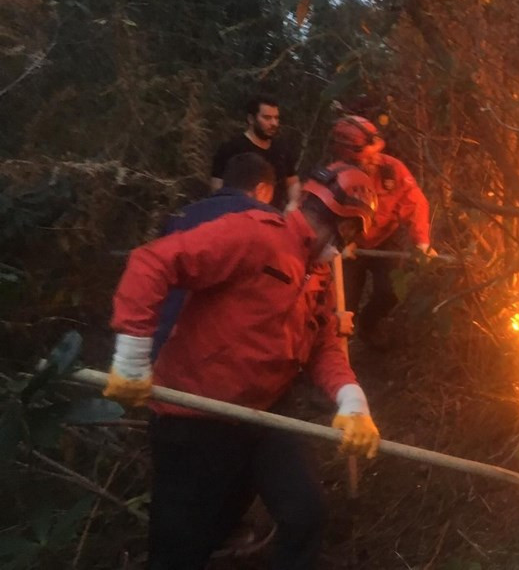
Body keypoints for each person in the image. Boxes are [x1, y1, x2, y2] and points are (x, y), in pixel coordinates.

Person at [102, 163, 381, 570]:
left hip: (265, 414)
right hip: (194, 416)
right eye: (352, 234)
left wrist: (352, 399)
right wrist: (130, 357)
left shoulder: (317, 275)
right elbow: (154, 262)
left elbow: (324, 348)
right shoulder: (253, 235)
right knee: (183, 544)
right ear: (340, 224)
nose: (349, 247)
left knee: (305, 512)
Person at [153, 151, 277, 358]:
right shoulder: (268, 223)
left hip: (162, 343)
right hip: (217, 357)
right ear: (262, 190)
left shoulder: (182, 215)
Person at [327, 115, 432, 349]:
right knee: (344, 304)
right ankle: (337, 353)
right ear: (350, 158)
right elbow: (323, 219)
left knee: (391, 291)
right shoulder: (334, 177)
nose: (376, 159)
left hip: (386, 239)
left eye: (376, 151)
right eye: (368, 156)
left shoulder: (392, 169)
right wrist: (339, 244)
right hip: (348, 249)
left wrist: (422, 242)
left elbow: (415, 202)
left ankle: (369, 324)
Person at [211, 94, 301, 211]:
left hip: (273, 219)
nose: (274, 123)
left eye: (276, 118)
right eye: (267, 118)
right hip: (239, 217)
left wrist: (293, 203)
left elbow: (293, 182)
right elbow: (216, 187)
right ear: (251, 119)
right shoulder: (231, 148)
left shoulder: (282, 150)